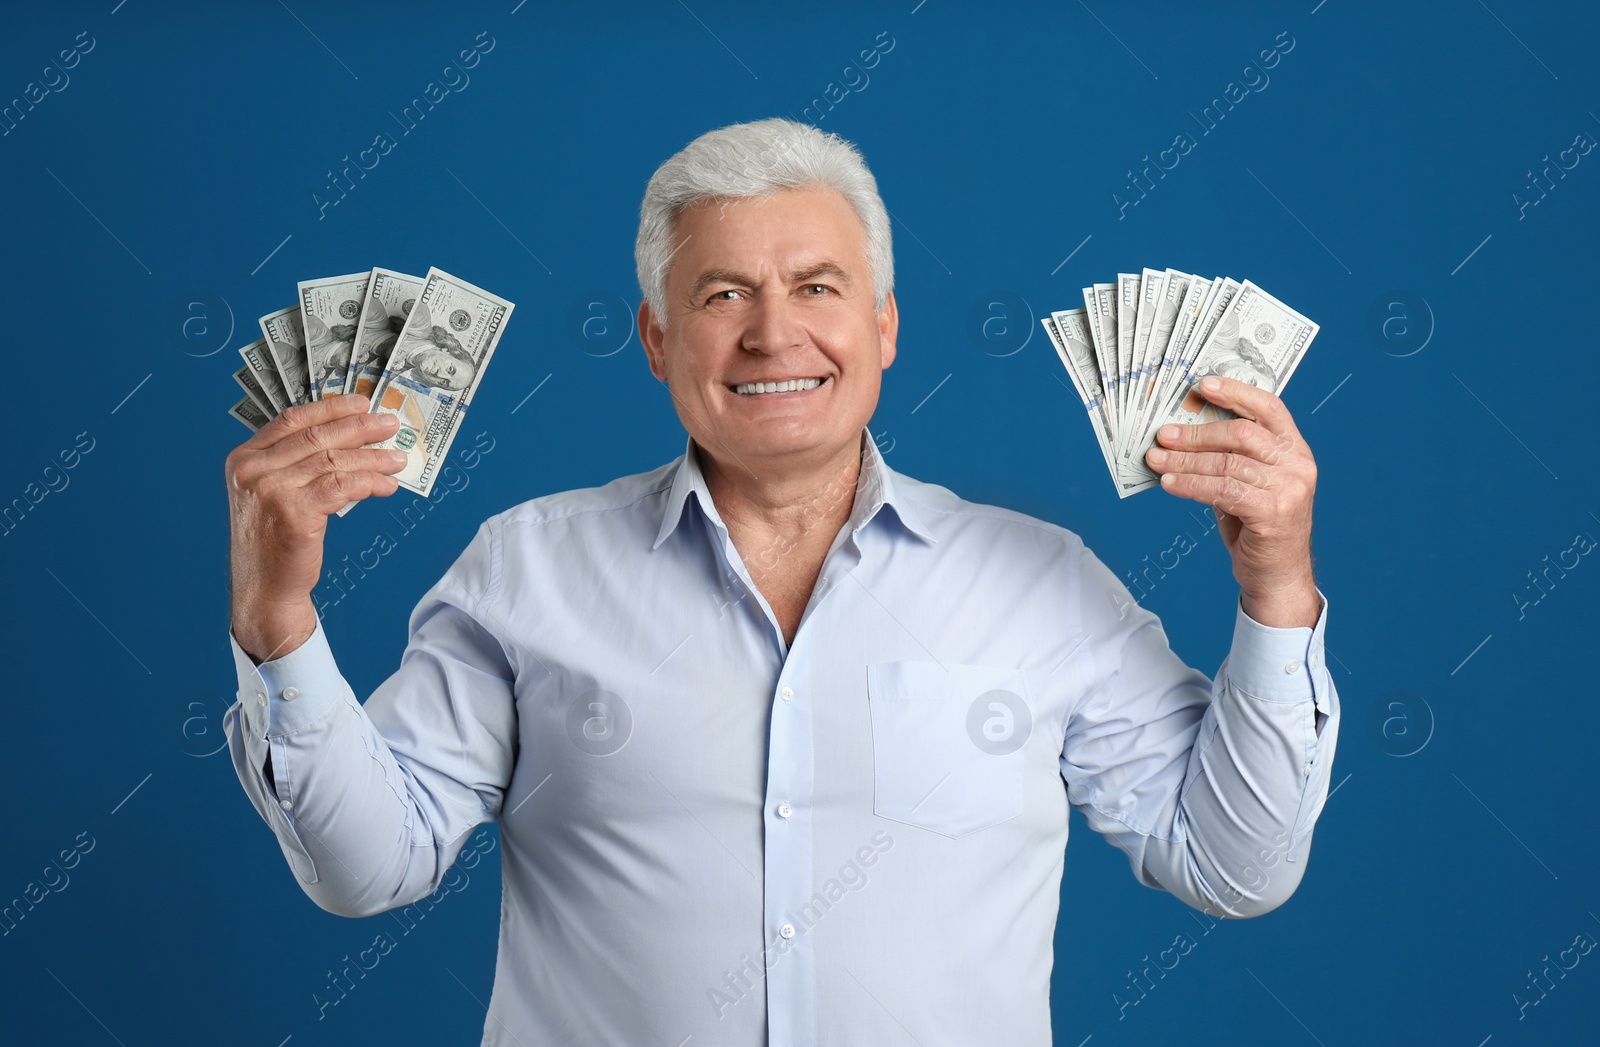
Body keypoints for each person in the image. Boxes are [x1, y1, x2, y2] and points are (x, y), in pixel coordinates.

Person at [222, 118, 1339, 1046]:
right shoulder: (526, 569)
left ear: (883, 326)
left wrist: (1275, 589)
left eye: (816, 286)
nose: (772, 334)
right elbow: (367, 869)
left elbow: (1230, 865)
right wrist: (278, 620)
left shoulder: (1042, 582)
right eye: (720, 296)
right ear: (657, 341)